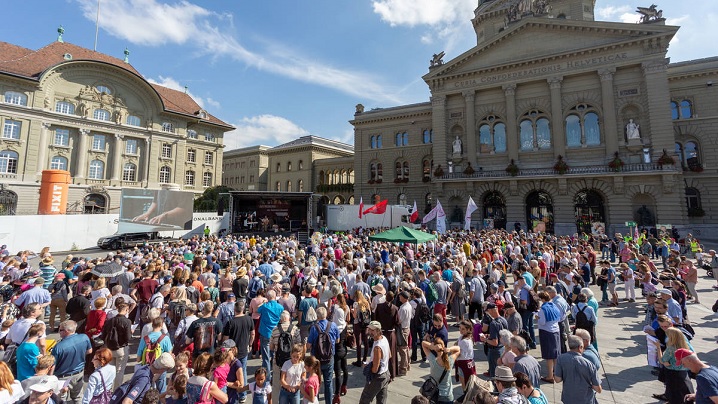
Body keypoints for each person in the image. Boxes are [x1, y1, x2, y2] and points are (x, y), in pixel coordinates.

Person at [222, 300, 254, 404]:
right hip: (243, 350)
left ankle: (229, 392)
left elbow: (225, 339)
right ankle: (242, 394)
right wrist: (250, 344)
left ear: (234, 310)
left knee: (230, 372)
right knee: (242, 371)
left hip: (231, 353)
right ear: (243, 309)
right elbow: (252, 334)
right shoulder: (249, 319)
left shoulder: (230, 322)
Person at [52, 320, 92, 404]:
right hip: (79, 373)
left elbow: (53, 365)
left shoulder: (58, 347)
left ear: (66, 331)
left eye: (61, 330)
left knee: (61, 399)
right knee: (78, 397)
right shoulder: (84, 337)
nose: (59, 332)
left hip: (62, 377)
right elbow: (89, 351)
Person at [554, 335, 601, 404]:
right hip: (585, 400)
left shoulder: (561, 358)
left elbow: (557, 379)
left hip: (568, 398)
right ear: (580, 347)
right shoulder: (589, 364)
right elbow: (597, 388)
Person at [306, 306, 339, 404]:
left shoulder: (314, 328)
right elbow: (337, 340)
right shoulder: (333, 325)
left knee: (316, 381)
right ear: (326, 315)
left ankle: (315, 400)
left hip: (316, 359)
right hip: (329, 358)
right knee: (328, 382)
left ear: (317, 316)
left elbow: (309, 345)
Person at [652, 328, 694, 404]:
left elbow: (662, 360)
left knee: (674, 393)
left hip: (673, 373)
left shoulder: (671, 348)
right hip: (683, 372)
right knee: (685, 392)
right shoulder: (685, 345)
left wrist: (658, 347)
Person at [101, 302, 132, 390]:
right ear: (126, 310)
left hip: (110, 348)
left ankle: (107, 389)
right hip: (121, 348)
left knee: (110, 370)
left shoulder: (110, 321)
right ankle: (116, 391)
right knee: (119, 371)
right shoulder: (127, 321)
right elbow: (128, 337)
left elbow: (103, 335)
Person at [358, 321, 391, 404]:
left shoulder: (377, 347)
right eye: (369, 329)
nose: (370, 332)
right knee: (381, 400)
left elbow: (375, 369)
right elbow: (390, 355)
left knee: (365, 399)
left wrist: (367, 366)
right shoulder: (384, 338)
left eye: (372, 330)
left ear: (378, 331)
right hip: (386, 373)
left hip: (378, 377)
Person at [421, 337, 459, 404]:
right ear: (444, 346)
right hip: (447, 396)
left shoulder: (433, 360)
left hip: (435, 395)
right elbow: (458, 349)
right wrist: (449, 349)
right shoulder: (450, 361)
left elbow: (423, 343)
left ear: (435, 349)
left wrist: (432, 346)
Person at [257, 289, 284, 381]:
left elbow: (257, 309)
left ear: (267, 297)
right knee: (276, 354)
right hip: (276, 332)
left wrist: (263, 302)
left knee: (266, 356)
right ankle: (276, 375)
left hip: (265, 333)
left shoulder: (265, 306)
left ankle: (267, 377)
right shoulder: (280, 307)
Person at [536, 291, 560, 384]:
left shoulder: (543, 309)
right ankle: (557, 374)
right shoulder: (554, 306)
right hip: (556, 331)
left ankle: (550, 376)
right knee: (556, 354)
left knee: (549, 356)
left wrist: (537, 317)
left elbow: (542, 322)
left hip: (547, 332)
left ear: (542, 299)